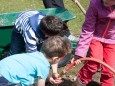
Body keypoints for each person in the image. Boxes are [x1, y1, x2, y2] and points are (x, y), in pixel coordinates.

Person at [72, 0, 115, 86]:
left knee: (109, 69)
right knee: (94, 63)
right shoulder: (95, 4)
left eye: (108, 1)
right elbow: (88, 29)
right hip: (96, 37)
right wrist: (80, 53)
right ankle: (80, 82)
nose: (104, 2)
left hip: (112, 40)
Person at [0, 36, 71, 86]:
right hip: (6, 78)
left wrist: (48, 79)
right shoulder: (44, 66)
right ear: (55, 59)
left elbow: (37, 76)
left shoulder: (35, 54)